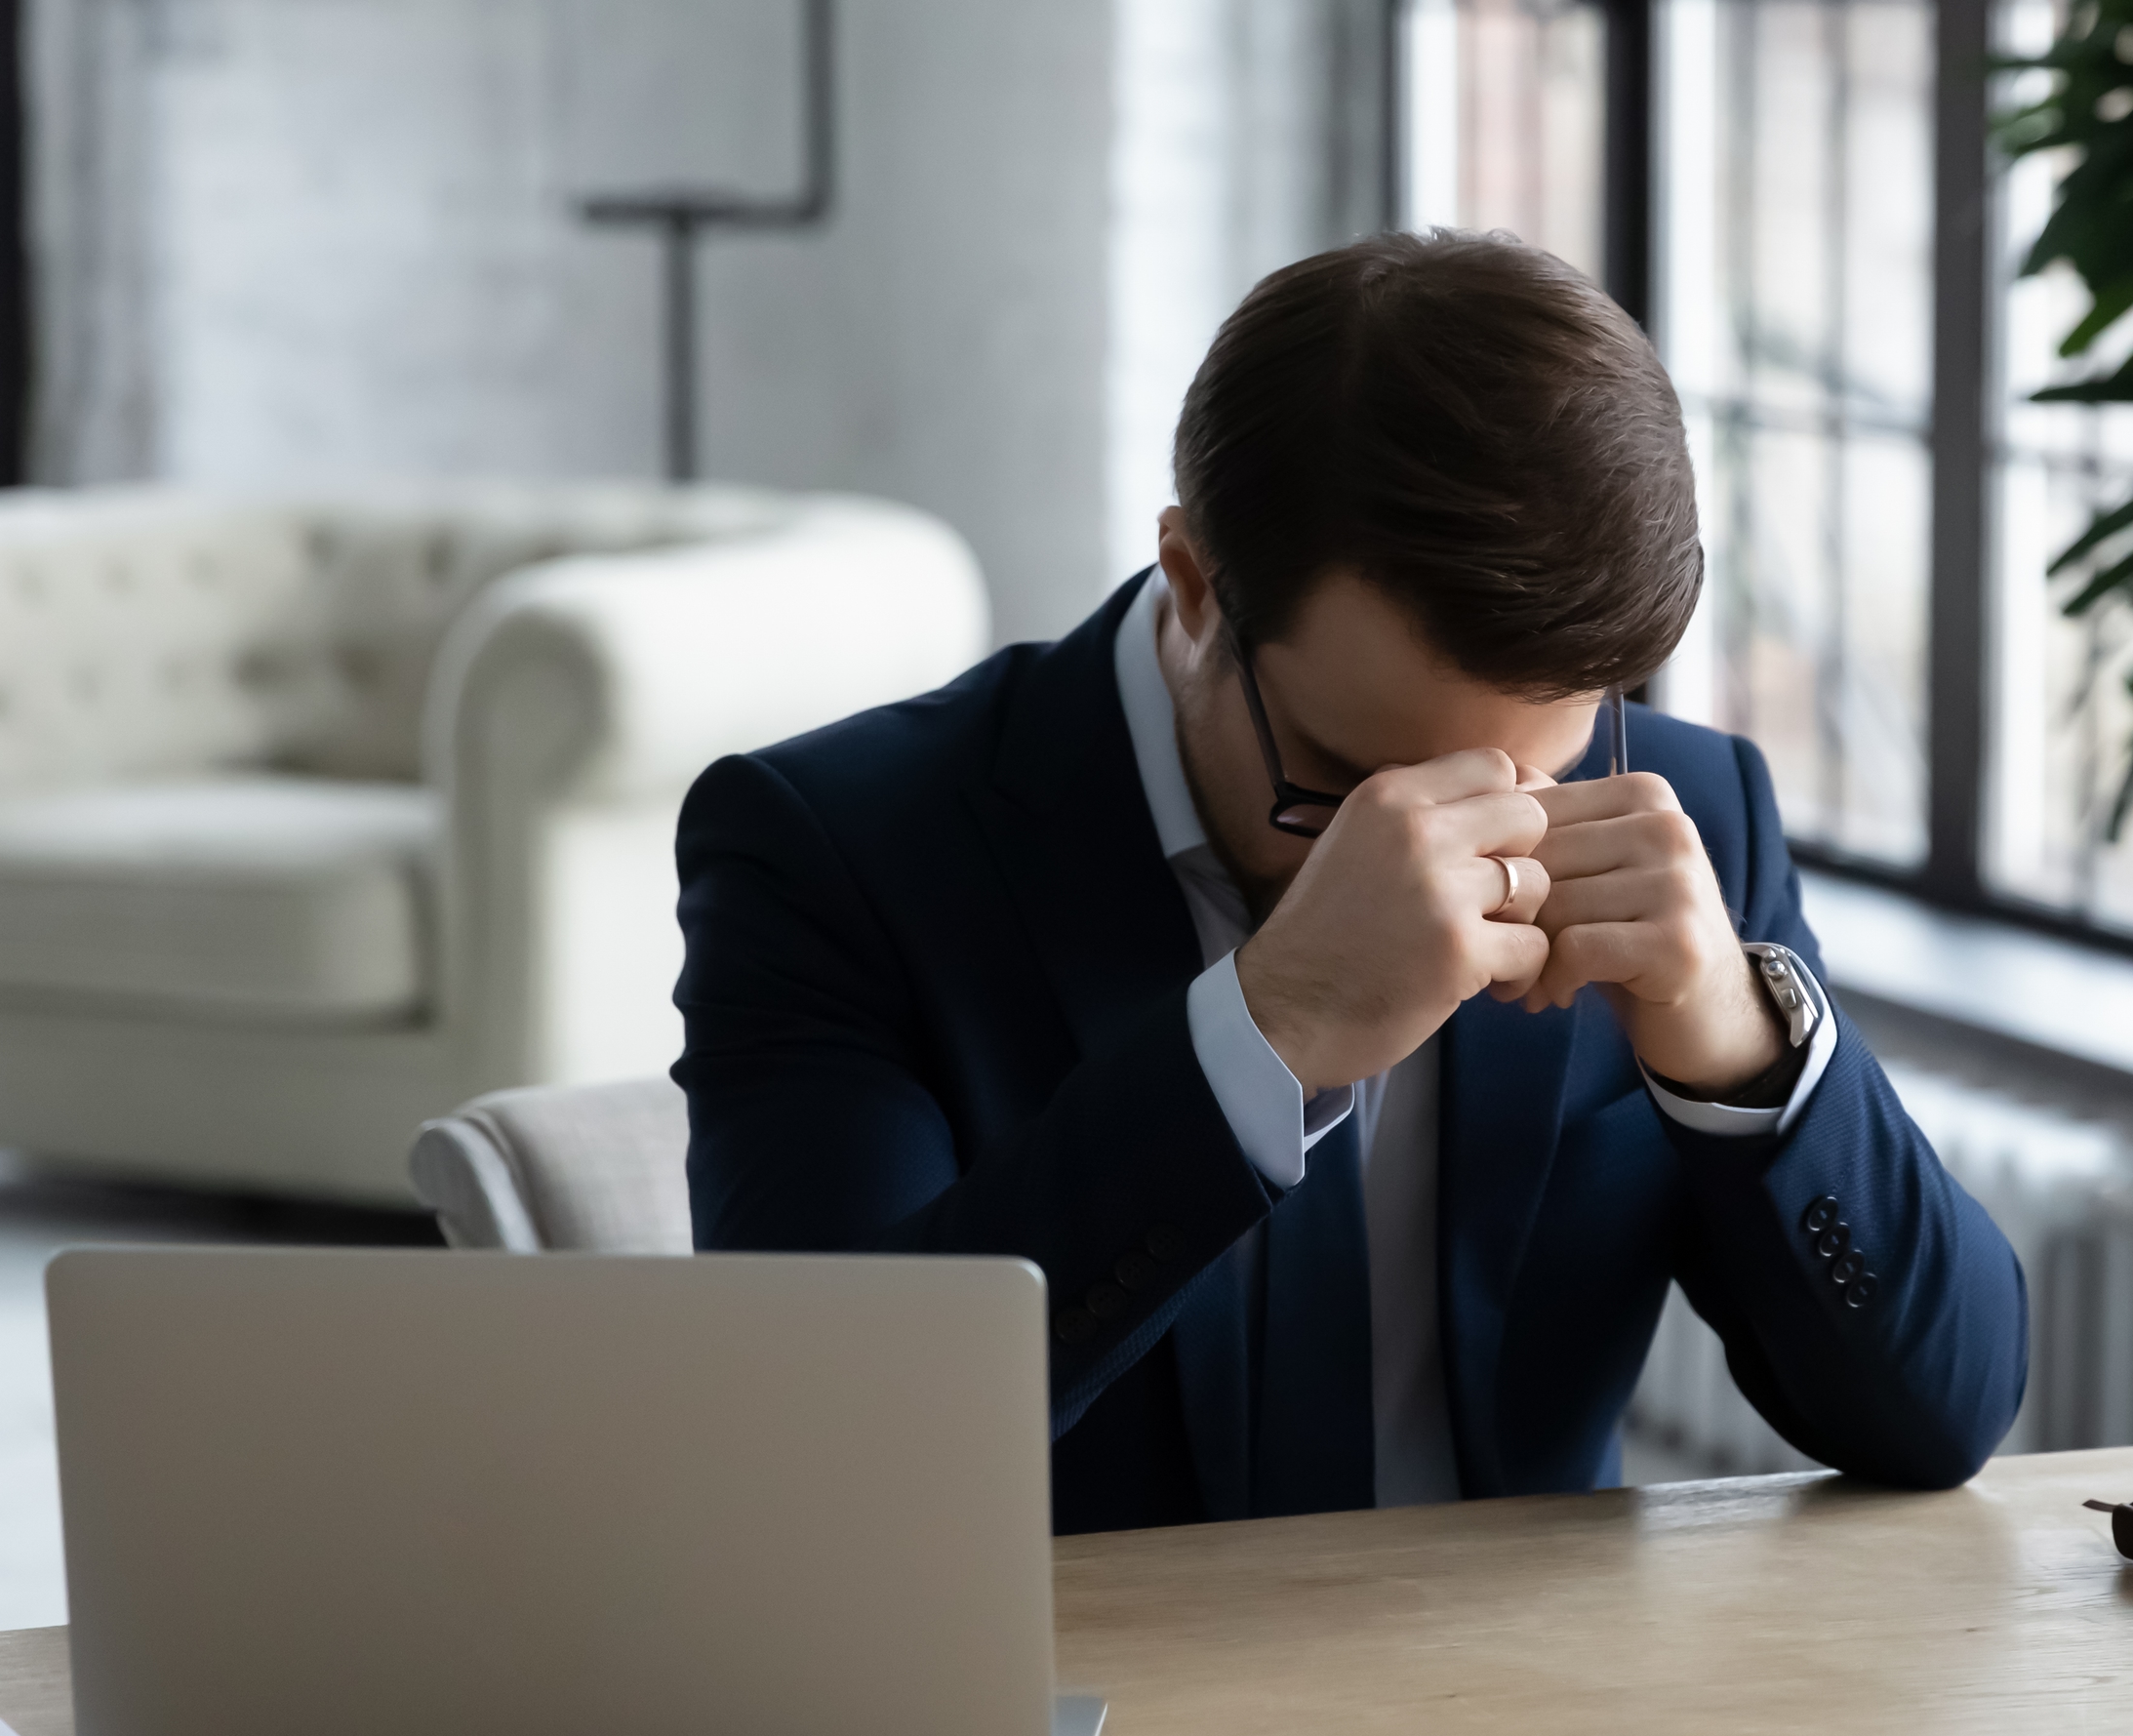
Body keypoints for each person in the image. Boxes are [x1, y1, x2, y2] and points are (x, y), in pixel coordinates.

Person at [675, 230, 2028, 1533]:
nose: (1447, 846)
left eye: (1529, 774)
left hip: (1545, 1731)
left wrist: (1738, 1048)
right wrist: (1267, 1036)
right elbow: (821, 1460)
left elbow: (1943, 1417)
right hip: (1082, 1730)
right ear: (1196, 584)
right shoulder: (833, 851)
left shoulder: (1684, 813)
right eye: (1349, 779)